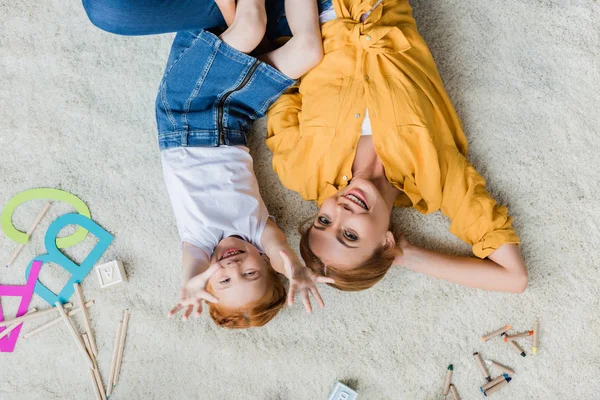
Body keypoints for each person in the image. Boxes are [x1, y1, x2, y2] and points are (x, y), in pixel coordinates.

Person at [82, 0, 332, 328]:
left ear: (208, 281)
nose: (233, 267)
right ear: (264, 261)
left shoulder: (199, 242)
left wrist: (190, 283)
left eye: (224, 281)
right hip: (235, 117)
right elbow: (278, 250)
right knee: (309, 52)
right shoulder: (258, 233)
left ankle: (236, 22)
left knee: (250, 29)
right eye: (250, 273)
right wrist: (295, 269)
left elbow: (193, 266)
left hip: (184, 115)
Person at [266, 0, 528, 293]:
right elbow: (514, 279)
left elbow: (277, 88)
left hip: (296, 19)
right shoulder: (436, 178)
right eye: (350, 235)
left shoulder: (300, 171)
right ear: (385, 241)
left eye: (324, 220)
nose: (340, 210)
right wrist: (404, 255)